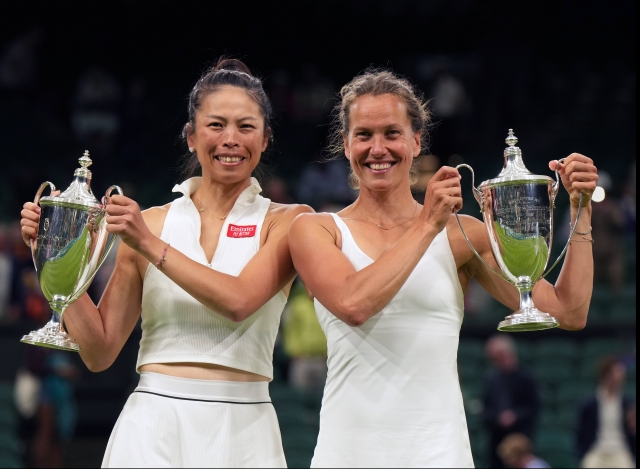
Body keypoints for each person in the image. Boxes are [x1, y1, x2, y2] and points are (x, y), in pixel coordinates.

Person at [288, 68, 598, 467]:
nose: (377, 148)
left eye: (392, 133)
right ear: (346, 145)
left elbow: (568, 312)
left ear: (416, 141)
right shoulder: (316, 230)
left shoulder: (461, 237)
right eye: (363, 135)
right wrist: (426, 225)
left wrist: (582, 210)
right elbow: (354, 304)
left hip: (441, 454)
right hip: (346, 455)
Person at [20, 58, 311, 468]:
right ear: (191, 137)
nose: (231, 139)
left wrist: (147, 243)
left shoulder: (289, 220)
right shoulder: (153, 221)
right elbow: (99, 352)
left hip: (246, 430)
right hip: (151, 427)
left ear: (265, 139)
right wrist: (52, 257)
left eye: (246, 126)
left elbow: (240, 301)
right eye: (215, 125)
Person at [483, 335, 540, 468]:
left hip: (521, 437)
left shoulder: (526, 377)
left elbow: (534, 406)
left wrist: (515, 416)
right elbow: (486, 407)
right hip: (497, 438)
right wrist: (497, 418)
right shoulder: (492, 379)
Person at [576, 356, 636, 468]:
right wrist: (583, 454)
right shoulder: (589, 404)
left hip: (621, 451)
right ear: (605, 376)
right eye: (616, 373)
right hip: (596, 451)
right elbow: (580, 433)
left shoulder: (627, 403)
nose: (619, 378)